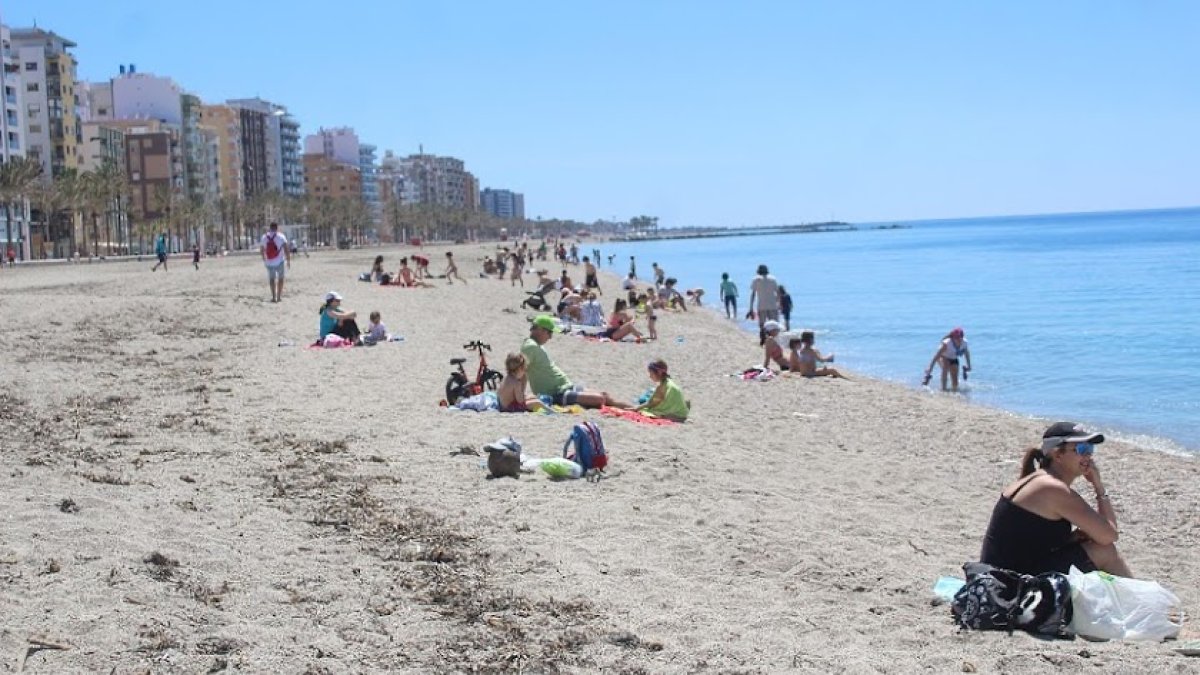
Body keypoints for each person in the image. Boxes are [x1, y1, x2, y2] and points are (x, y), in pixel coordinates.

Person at [979, 422, 1131, 577]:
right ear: (1057, 454)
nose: (1088, 456)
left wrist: (1072, 538)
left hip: (1004, 576)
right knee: (1104, 551)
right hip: (1008, 586)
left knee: (1090, 543)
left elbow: (1026, 545)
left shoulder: (1038, 480)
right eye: (1081, 449)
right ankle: (1138, 601)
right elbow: (1109, 535)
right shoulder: (1052, 488)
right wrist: (1099, 487)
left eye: (1090, 449)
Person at [520, 315, 631, 409]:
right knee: (600, 399)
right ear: (540, 329)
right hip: (555, 394)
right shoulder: (530, 347)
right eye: (549, 333)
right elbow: (521, 372)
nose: (550, 337)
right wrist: (519, 396)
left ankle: (634, 409)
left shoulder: (536, 346)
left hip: (565, 386)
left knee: (604, 395)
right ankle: (633, 409)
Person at [924, 327, 972, 391]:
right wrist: (930, 369)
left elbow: (967, 354)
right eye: (957, 338)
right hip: (943, 357)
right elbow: (935, 357)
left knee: (955, 383)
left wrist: (969, 366)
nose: (959, 340)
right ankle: (944, 389)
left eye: (960, 338)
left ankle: (954, 393)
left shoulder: (964, 343)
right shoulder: (947, 343)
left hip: (954, 358)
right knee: (945, 368)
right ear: (953, 337)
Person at [748, 264, 781, 345]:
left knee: (762, 325)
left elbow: (753, 294)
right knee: (774, 324)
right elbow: (778, 292)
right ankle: (773, 341)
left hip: (761, 305)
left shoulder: (756, 279)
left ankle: (763, 340)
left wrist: (751, 307)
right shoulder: (773, 279)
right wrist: (778, 303)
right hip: (772, 305)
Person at [260, 222, 291, 303]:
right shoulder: (281, 236)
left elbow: (262, 250)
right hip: (280, 261)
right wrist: (288, 260)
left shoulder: (264, 237)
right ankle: (279, 296)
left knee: (271, 279)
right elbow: (286, 249)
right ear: (277, 228)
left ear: (270, 228)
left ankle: (273, 297)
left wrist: (264, 259)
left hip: (269, 262)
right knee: (281, 278)